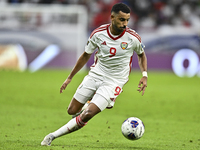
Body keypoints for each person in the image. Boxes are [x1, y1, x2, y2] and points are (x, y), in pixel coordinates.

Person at [41, 2, 148, 146]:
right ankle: (90, 103)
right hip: (96, 74)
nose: (125, 23)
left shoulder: (133, 38)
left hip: (114, 81)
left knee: (87, 114)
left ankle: (52, 136)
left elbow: (141, 55)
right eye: (122, 19)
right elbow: (85, 55)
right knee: (72, 110)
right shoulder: (98, 34)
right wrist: (69, 78)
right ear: (112, 17)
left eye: (127, 20)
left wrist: (144, 75)